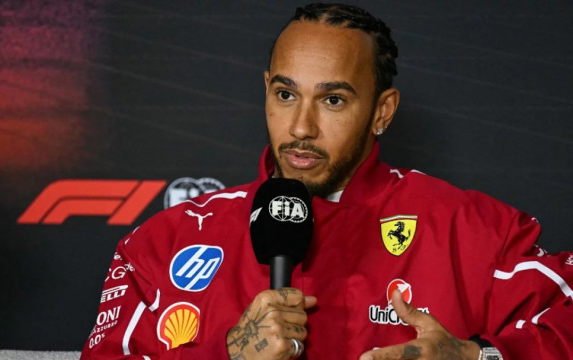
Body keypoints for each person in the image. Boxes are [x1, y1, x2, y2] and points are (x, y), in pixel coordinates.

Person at [81, 3, 573, 360]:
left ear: (383, 111)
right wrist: (225, 356)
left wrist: (475, 358)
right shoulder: (164, 242)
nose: (300, 128)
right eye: (286, 94)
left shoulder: (473, 229)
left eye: (333, 100)